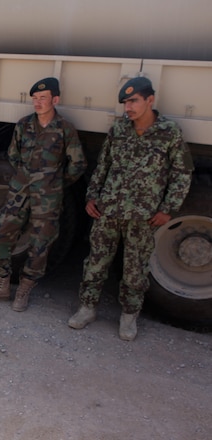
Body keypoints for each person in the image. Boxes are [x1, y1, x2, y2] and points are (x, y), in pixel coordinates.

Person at [67, 76, 193, 341]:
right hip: (108, 210)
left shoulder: (169, 132)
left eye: (134, 101)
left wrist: (168, 209)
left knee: (135, 268)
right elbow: (103, 166)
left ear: (150, 100)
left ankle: (128, 316)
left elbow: (182, 173)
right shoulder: (119, 129)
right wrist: (92, 197)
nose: (129, 107)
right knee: (96, 262)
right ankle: (87, 307)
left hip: (143, 216)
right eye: (126, 102)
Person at [0, 77, 87, 311]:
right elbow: (13, 155)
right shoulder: (24, 125)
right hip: (19, 193)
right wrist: (25, 178)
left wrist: (54, 183)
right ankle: (1, 288)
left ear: (55, 100)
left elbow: (77, 164)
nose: (37, 103)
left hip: (47, 200)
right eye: (35, 99)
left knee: (39, 247)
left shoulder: (64, 129)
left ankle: (23, 291)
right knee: (0, 236)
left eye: (43, 98)